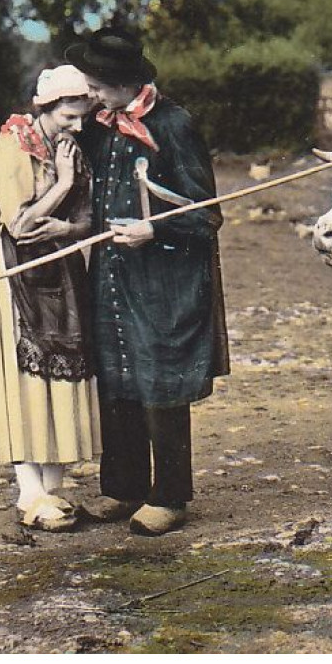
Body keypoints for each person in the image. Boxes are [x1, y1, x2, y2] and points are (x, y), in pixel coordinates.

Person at [65, 27, 228, 536]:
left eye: (95, 85)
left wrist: (153, 229)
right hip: (113, 274)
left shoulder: (173, 124)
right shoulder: (99, 124)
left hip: (164, 277)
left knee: (160, 380)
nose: (89, 94)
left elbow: (207, 216)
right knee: (116, 377)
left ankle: (170, 496)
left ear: (122, 82)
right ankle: (123, 486)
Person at [0, 64, 100, 532]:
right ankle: (28, 490)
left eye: (82, 116)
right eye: (69, 116)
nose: (78, 125)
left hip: (64, 265)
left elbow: (88, 220)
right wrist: (63, 185)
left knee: (62, 369)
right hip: (19, 269)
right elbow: (21, 224)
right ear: (45, 108)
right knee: (24, 373)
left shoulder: (70, 147)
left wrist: (69, 228)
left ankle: (52, 488)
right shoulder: (12, 145)